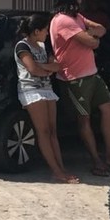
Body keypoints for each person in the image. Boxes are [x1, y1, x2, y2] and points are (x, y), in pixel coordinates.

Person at [50, 0, 110, 176]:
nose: (81, 0)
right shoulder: (62, 21)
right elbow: (92, 40)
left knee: (108, 108)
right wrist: (92, 37)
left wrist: (91, 35)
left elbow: (101, 29)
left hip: (91, 73)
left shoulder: (77, 17)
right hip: (74, 78)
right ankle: (96, 160)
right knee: (84, 119)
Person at [14, 14, 79, 183]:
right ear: (36, 31)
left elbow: (57, 66)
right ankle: (56, 170)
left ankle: (61, 168)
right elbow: (32, 69)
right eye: (44, 30)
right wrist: (46, 69)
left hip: (47, 89)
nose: (47, 34)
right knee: (42, 131)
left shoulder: (43, 46)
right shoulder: (22, 46)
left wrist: (43, 67)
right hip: (31, 90)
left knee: (52, 131)